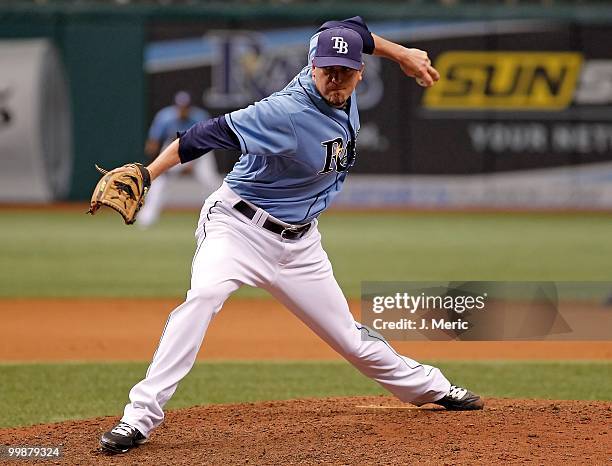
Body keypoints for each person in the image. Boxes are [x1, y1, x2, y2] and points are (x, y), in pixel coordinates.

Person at [100, 16, 484, 454]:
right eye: (327, 70)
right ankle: (139, 418)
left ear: (361, 71)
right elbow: (204, 135)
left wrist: (402, 54)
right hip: (238, 228)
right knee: (204, 297)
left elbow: (353, 30)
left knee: (349, 338)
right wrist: (148, 174)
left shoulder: (343, 54)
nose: (335, 79)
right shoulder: (285, 112)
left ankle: (429, 388)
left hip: (301, 245)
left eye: (345, 70)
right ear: (312, 67)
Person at [137, 91, 223, 228]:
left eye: (186, 107)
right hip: (175, 150)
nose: (183, 110)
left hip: (201, 152)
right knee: (159, 182)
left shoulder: (199, 117)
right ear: (175, 106)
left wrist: (192, 162)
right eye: (180, 107)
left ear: (190, 107)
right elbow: (153, 142)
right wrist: (156, 162)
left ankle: (224, 215)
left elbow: (207, 142)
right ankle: (146, 218)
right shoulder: (165, 117)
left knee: (210, 180)